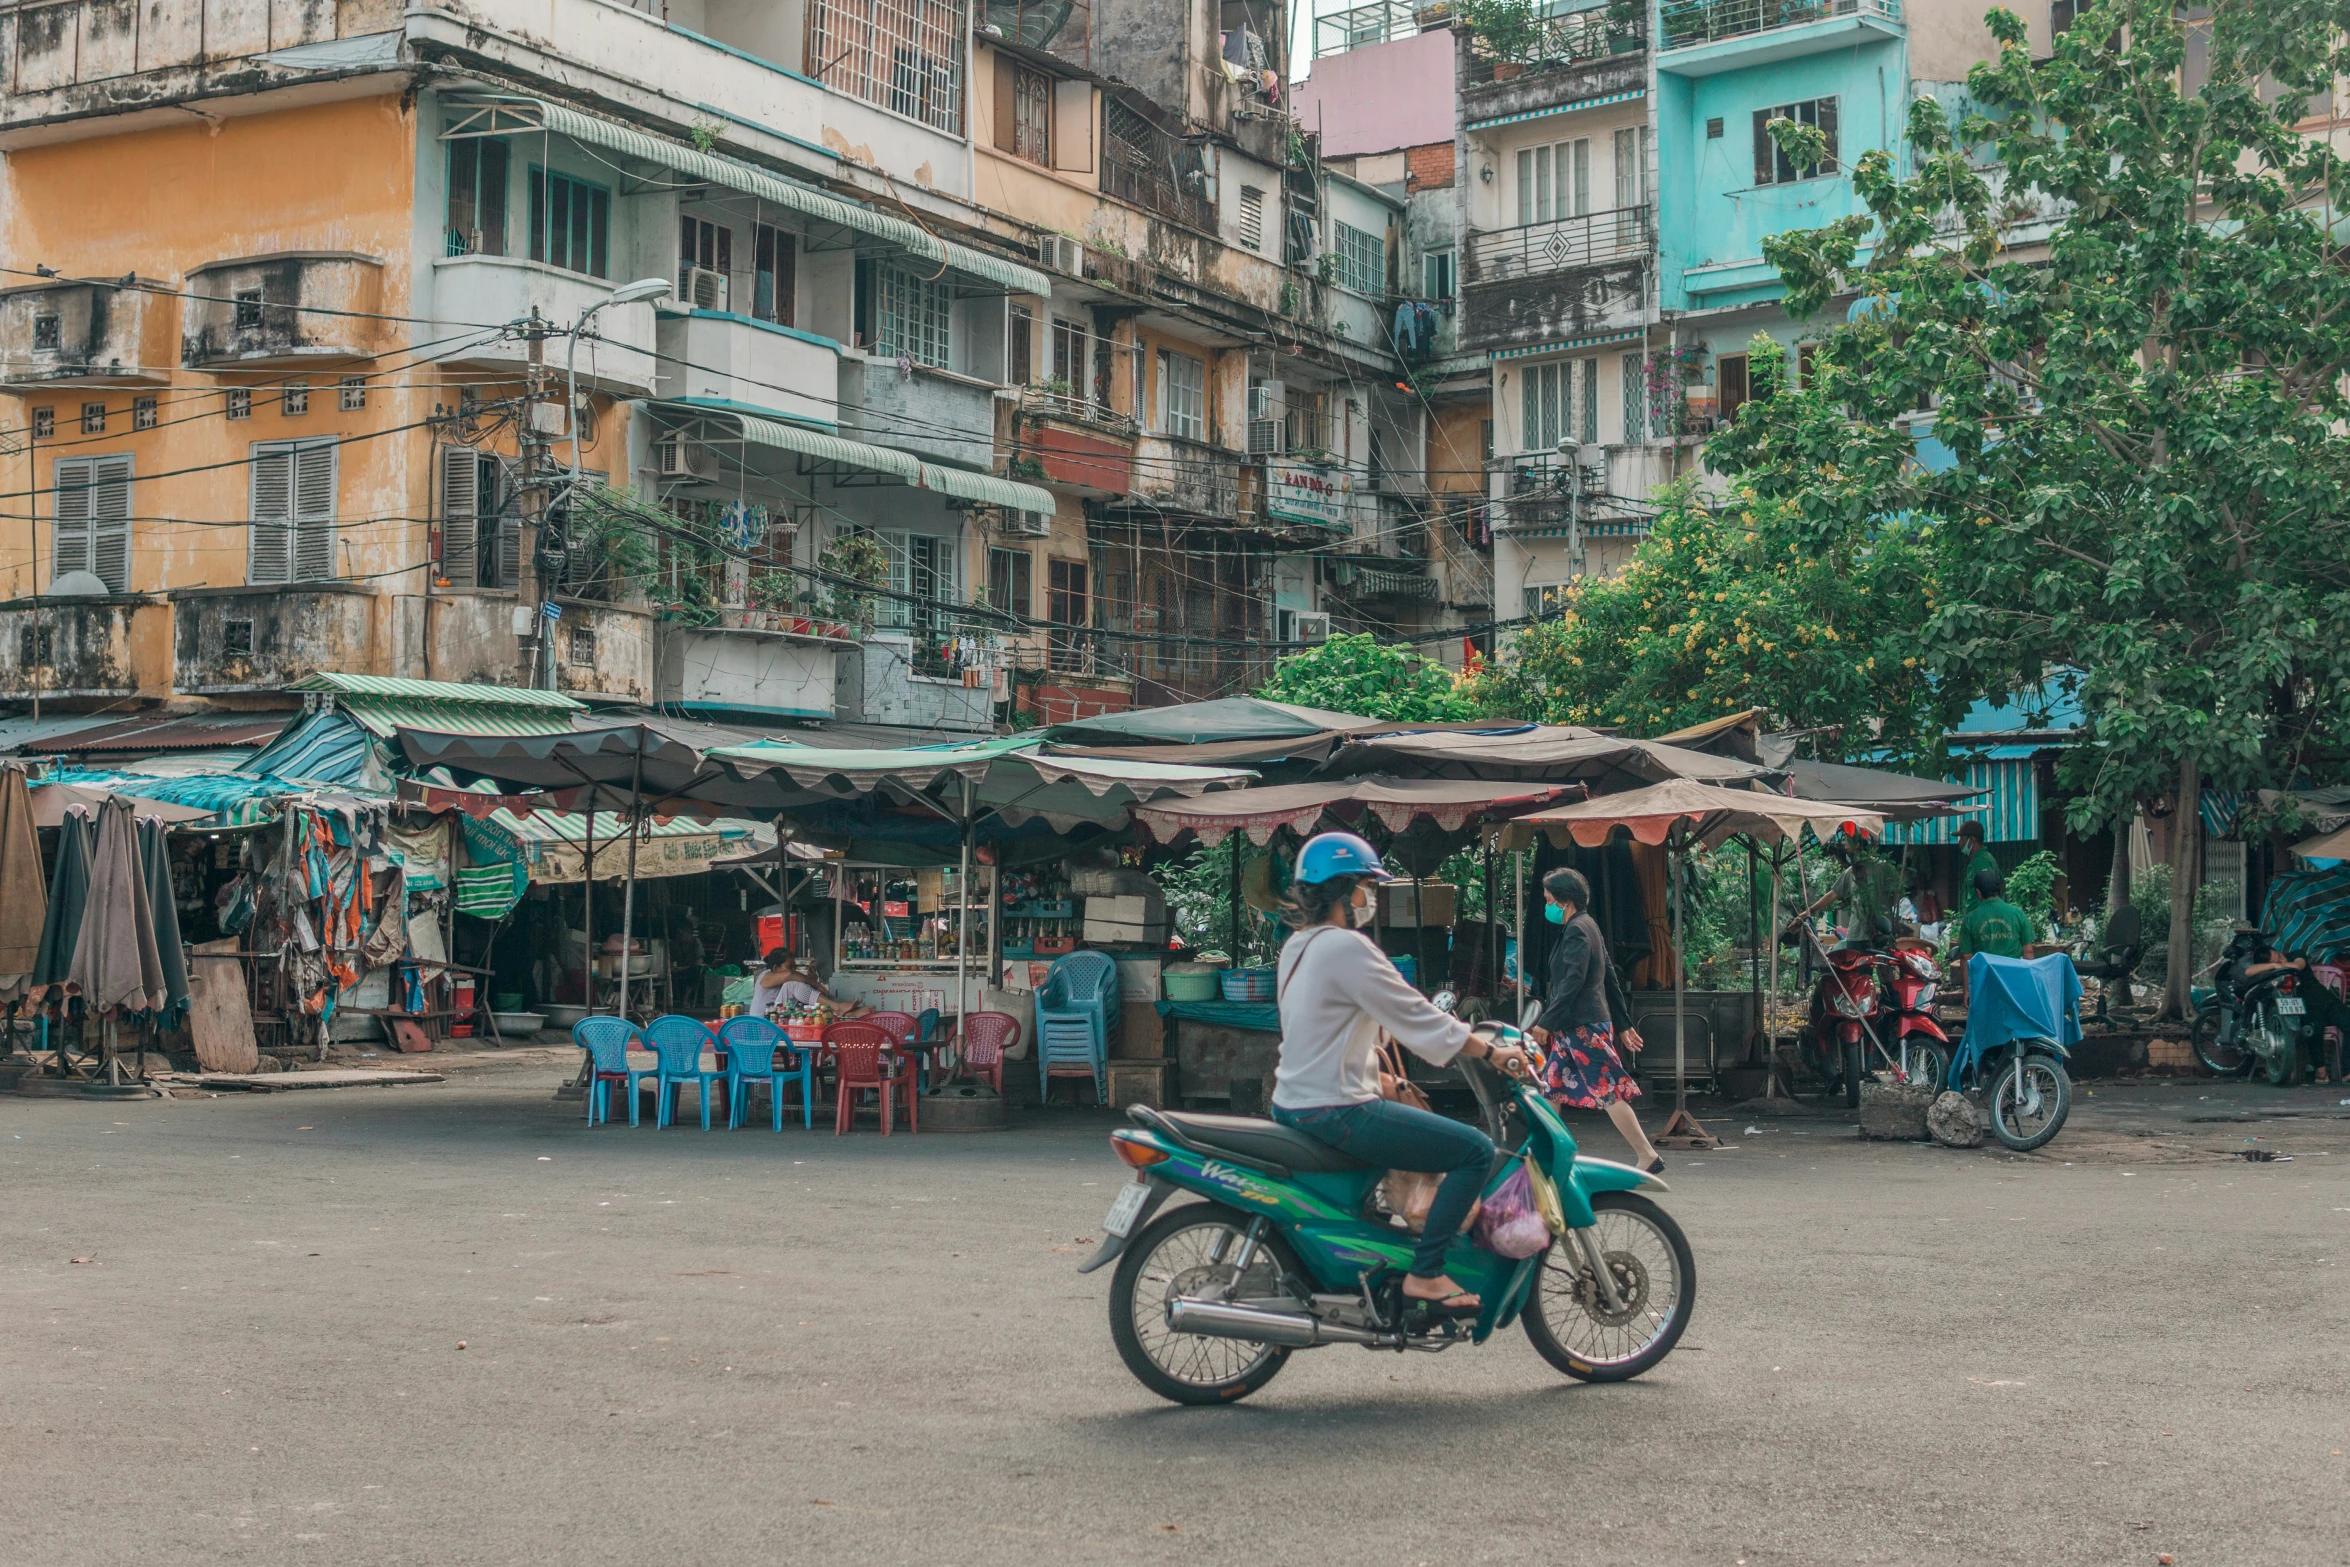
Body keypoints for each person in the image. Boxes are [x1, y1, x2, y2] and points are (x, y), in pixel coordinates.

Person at [1271, 831, 1531, 1314]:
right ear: (1344, 891)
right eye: (1365, 887)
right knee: (1474, 1149)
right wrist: (1489, 1051)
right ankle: (1426, 1274)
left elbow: (1335, 1022)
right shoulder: (1346, 948)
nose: (1368, 899)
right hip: (1338, 1107)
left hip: (1297, 1100)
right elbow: (1417, 1016)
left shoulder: (1298, 946)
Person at [1527, 867, 1662, 1174]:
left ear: (1565, 901)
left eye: (1549, 899)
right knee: (1552, 1088)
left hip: (1581, 1025)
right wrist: (1624, 1023)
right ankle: (1544, 1154)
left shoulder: (1577, 930)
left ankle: (1647, 1154)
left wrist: (1546, 1021)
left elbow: (1573, 981)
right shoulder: (1588, 926)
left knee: (1608, 1089)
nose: (1546, 905)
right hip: (1574, 1026)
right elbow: (1610, 977)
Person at [1957, 868, 2031, 960]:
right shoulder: (2018, 914)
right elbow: (2028, 951)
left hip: (1984, 974)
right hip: (2012, 973)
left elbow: (1966, 956)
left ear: (1978, 892)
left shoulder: (1970, 919)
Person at [749, 949, 826, 1019]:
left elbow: (801, 995)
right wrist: (816, 984)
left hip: (772, 1023)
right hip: (762, 1026)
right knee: (791, 985)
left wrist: (811, 981)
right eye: (790, 967)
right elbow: (790, 974)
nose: (793, 970)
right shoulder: (765, 976)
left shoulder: (783, 982)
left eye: (794, 966)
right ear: (776, 968)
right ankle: (835, 1007)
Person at [1957, 820, 2000, 919]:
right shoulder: (1984, 857)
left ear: (1972, 839)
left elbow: (1989, 891)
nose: (1959, 842)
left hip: (1980, 918)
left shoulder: (1981, 860)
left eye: (1961, 838)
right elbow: (2002, 884)